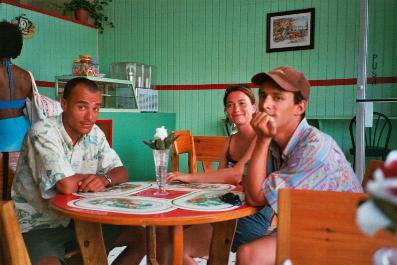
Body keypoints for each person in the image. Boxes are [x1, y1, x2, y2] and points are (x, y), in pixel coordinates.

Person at [237, 66, 363, 265]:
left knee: (249, 255)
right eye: (263, 95)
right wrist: (263, 141)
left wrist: (261, 139)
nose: (265, 105)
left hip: (345, 242)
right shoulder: (276, 142)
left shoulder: (314, 147)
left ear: (300, 107)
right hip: (308, 228)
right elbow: (250, 186)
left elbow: (255, 197)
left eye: (277, 97)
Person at [11, 77, 143, 265]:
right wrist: (93, 178)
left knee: (141, 235)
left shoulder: (95, 133)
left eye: (96, 108)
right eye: (82, 107)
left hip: (80, 221)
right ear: (64, 104)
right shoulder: (42, 132)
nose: (90, 117)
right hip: (38, 226)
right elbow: (65, 185)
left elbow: (121, 171)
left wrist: (104, 178)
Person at [167, 84, 273, 264]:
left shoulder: (260, 137)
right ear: (226, 111)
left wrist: (188, 176)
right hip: (224, 208)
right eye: (230, 105)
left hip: (250, 213)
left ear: (254, 107)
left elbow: (234, 175)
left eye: (242, 103)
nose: (236, 109)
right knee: (174, 247)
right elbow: (220, 183)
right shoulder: (229, 141)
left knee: (178, 247)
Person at [0, 21, 33, 199]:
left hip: (2, 133)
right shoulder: (26, 75)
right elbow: (35, 105)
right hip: (24, 133)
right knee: (16, 189)